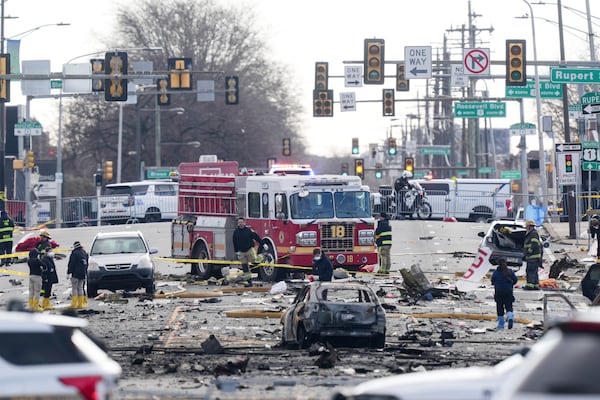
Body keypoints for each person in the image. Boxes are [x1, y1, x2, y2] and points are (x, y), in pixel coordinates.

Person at [232, 217, 262, 287]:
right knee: (245, 268)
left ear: (244, 223)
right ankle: (249, 282)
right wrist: (236, 251)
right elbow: (234, 242)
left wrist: (263, 243)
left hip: (249, 250)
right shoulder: (236, 232)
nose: (240, 224)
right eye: (239, 222)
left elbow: (256, 237)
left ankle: (264, 256)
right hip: (241, 252)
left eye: (241, 222)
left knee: (255, 262)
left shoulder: (248, 230)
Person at [491, 258, 518, 329]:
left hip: (499, 292)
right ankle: (510, 317)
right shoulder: (510, 271)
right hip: (508, 291)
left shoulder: (496, 273)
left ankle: (501, 324)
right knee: (509, 306)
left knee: (499, 308)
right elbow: (515, 280)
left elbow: (492, 281)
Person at [67, 241, 88, 309]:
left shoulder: (74, 253)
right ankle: (80, 304)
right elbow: (87, 263)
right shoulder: (84, 253)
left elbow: (71, 263)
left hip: (75, 273)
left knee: (74, 288)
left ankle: (74, 304)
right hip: (82, 273)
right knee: (80, 288)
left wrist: (68, 272)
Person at [523, 219, 543, 290]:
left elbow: (534, 243)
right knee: (534, 271)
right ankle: (535, 285)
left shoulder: (533, 233)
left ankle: (530, 285)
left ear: (529, 226)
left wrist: (529, 251)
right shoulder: (533, 233)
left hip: (532, 256)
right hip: (534, 257)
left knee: (530, 271)